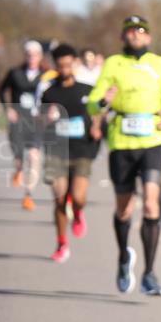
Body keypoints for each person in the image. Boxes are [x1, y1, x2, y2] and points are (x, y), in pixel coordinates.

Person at [87, 15, 161, 296]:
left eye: (140, 30)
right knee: (124, 209)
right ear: (122, 36)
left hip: (153, 140)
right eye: (130, 31)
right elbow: (93, 103)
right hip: (122, 142)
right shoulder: (113, 64)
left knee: (150, 203)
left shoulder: (159, 64)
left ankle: (149, 273)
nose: (135, 34)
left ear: (148, 37)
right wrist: (104, 101)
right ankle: (124, 257)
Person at [40, 44, 100, 262]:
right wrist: (46, 118)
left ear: (75, 63)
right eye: (60, 65)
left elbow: (98, 113)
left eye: (68, 64)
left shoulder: (87, 90)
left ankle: (78, 212)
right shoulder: (49, 93)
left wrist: (96, 127)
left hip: (82, 150)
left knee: (77, 197)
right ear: (55, 66)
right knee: (59, 199)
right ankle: (61, 243)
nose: (64, 69)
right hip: (56, 152)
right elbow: (39, 121)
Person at [0, 39, 46, 210]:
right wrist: (8, 109)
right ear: (25, 56)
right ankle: (18, 170)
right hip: (18, 119)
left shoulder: (46, 75)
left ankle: (28, 194)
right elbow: (1, 90)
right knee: (19, 157)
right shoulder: (15, 73)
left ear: (40, 56)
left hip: (36, 121)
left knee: (34, 156)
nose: (32, 58)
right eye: (29, 55)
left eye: (35, 55)